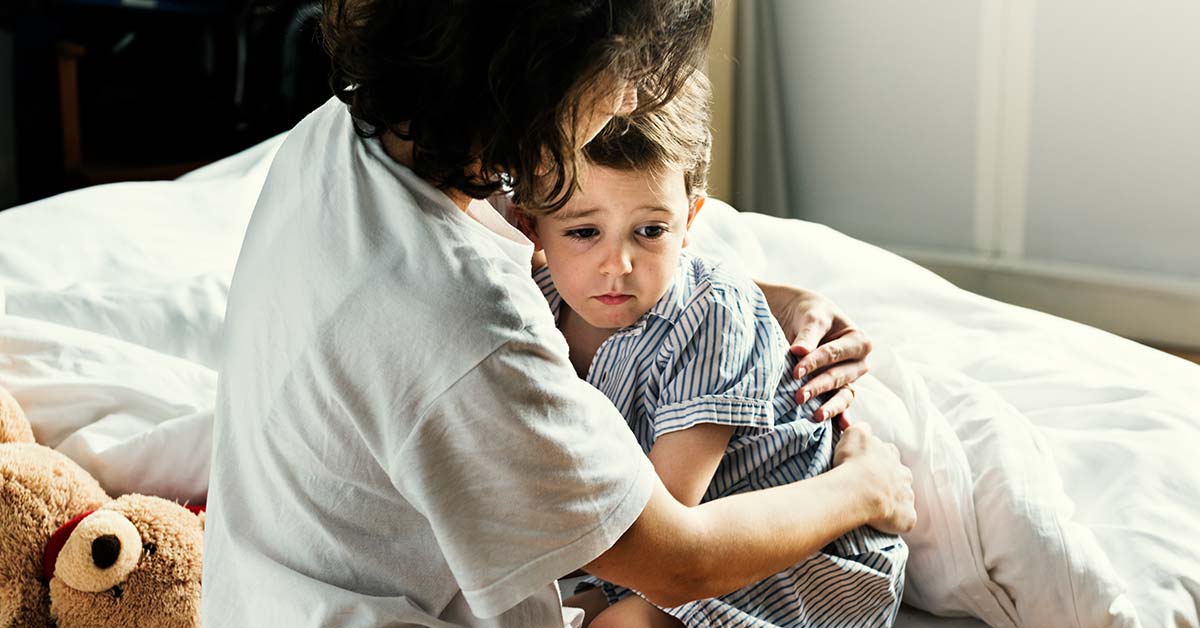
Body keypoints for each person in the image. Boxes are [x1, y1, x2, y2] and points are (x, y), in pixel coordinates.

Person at [201, 2, 915, 627]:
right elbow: (682, 561)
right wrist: (860, 488)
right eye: (621, 66)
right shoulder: (467, 330)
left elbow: (529, 246)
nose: (633, 92)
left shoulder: (336, 135)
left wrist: (756, 295)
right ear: (540, 74)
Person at [513, 71, 908, 628]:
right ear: (532, 229)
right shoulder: (534, 303)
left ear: (690, 220)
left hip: (788, 551)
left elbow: (668, 515)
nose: (617, 265)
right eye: (582, 233)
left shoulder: (710, 311)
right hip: (653, 555)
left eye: (650, 231)